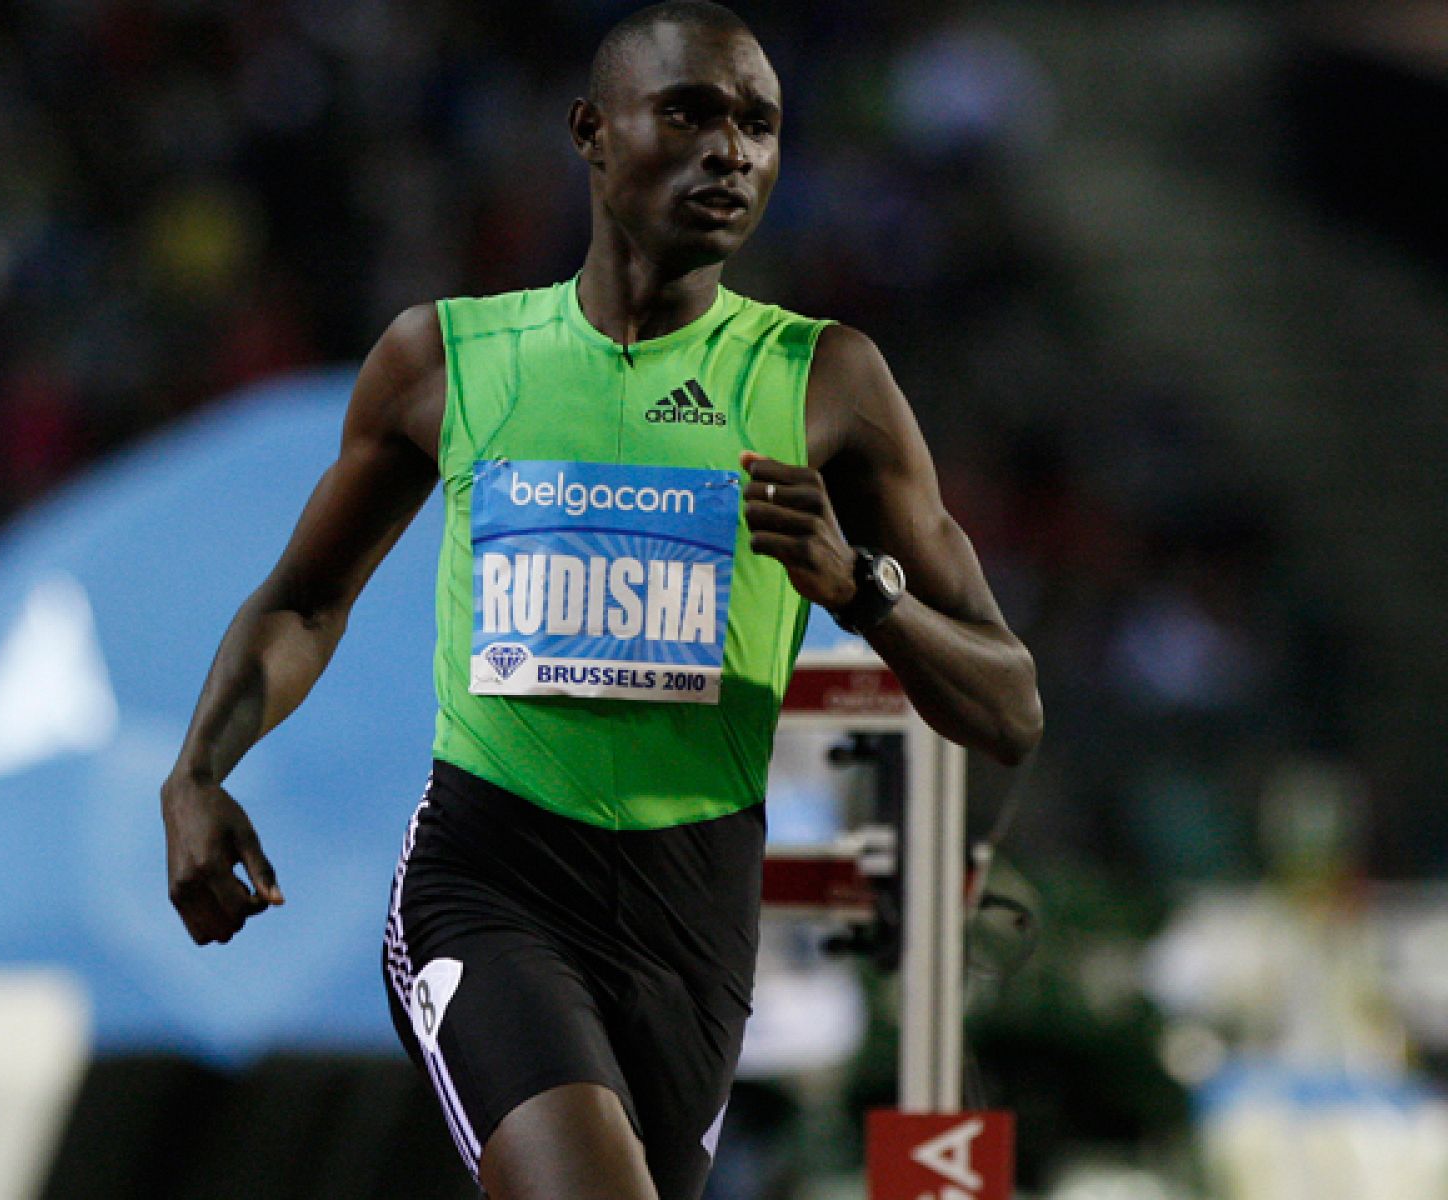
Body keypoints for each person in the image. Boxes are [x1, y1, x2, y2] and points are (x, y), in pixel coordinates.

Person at [160, 3, 1043, 1198]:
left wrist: (862, 592)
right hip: (490, 879)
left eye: (760, 125)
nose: (730, 150)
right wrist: (199, 773)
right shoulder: (449, 359)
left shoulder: (824, 380)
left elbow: (1009, 707)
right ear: (590, 129)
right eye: (689, 111)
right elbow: (305, 603)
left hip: (696, 913)